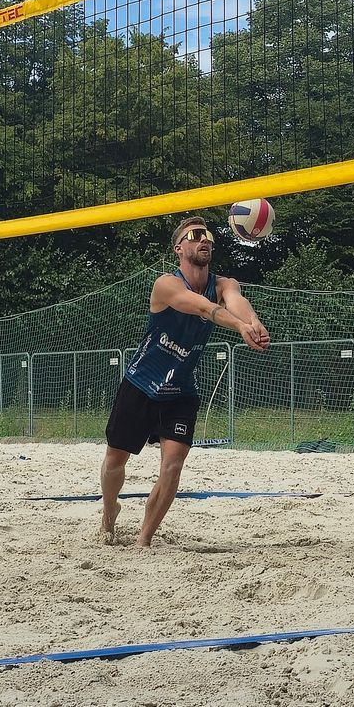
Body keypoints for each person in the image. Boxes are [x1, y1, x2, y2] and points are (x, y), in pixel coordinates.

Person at [99, 216, 270, 547]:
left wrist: (254, 322)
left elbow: (236, 301)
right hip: (141, 383)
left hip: (180, 390)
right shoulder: (166, 284)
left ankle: (143, 540)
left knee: (173, 467)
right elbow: (203, 309)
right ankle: (109, 513)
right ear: (179, 248)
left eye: (207, 235)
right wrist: (239, 328)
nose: (203, 239)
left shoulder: (224, 284)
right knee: (114, 462)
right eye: (194, 235)